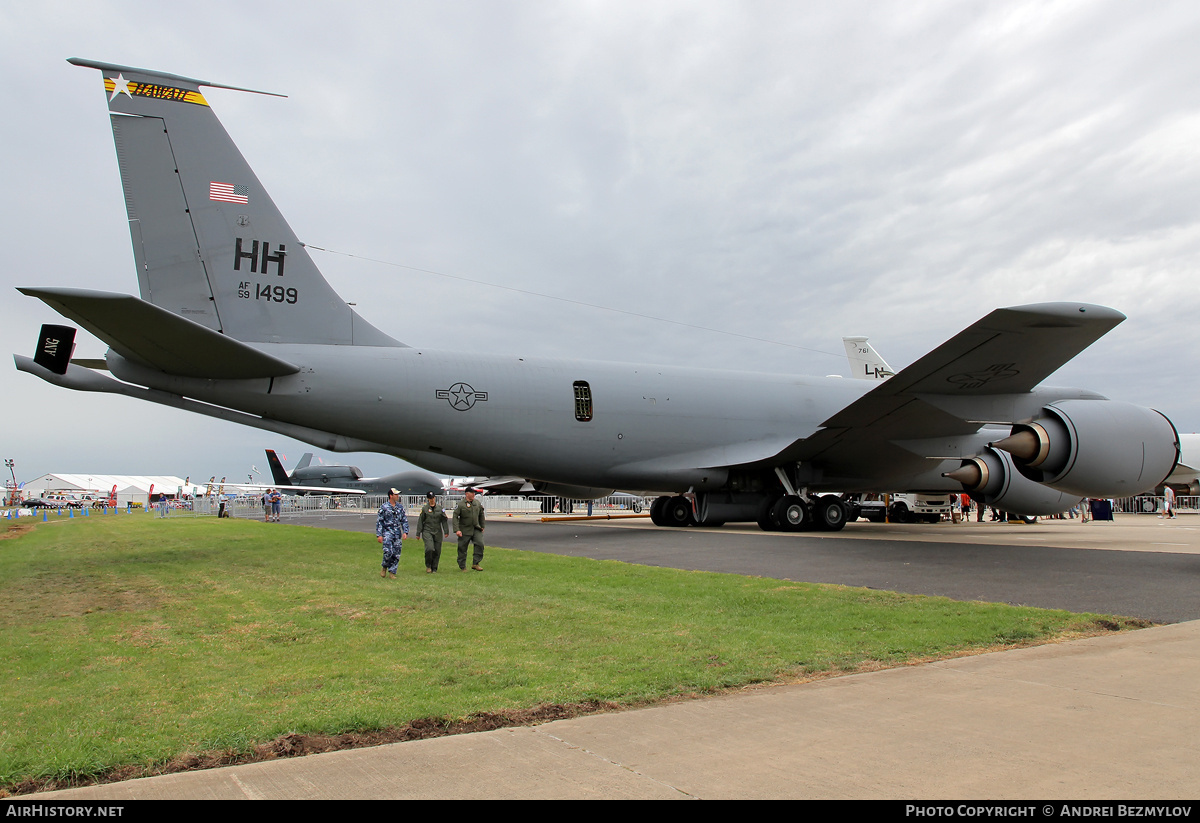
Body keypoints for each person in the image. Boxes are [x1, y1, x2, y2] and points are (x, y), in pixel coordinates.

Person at [375, 487, 410, 579]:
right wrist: (379, 534)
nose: (397, 496)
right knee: (388, 551)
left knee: (396, 553)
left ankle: (392, 572)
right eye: (396, 494)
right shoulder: (384, 507)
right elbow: (380, 521)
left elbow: (404, 520)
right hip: (387, 532)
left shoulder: (400, 507)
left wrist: (405, 531)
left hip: (397, 533)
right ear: (391, 496)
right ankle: (384, 566)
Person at [453, 488, 486, 571]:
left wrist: (482, 526)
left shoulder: (477, 503)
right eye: (472, 493)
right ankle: (462, 566)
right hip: (465, 529)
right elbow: (455, 517)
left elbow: (481, 514)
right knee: (462, 548)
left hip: (476, 528)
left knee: (480, 544)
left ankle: (476, 563)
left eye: (474, 493)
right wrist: (457, 529)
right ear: (467, 494)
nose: (473, 494)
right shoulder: (461, 504)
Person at [417, 491, 450, 573]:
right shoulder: (425, 509)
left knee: (437, 550)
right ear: (428, 499)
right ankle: (428, 565)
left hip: (437, 531)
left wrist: (446, 531)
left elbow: (444, 520)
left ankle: (434, 567)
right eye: (430, 498)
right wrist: (418, 533)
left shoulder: (440, 508)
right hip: (427, 530)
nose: (432, 500)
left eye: (433, 498)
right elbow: (420, 521)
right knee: (430, 548)